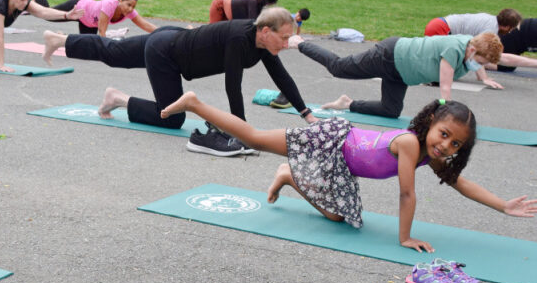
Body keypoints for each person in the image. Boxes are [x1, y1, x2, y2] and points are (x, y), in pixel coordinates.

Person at [161, 92, 536, 259]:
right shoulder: (409, 144)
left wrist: (504, 206)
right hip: (332, 141)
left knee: (341, 217)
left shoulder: (429, 153)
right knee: (256, 138)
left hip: (343, 163)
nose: (447, 148)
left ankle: (290, 176)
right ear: (430, 123)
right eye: (444, 136)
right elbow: (407, 195)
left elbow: (460, 183)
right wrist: (404, 238)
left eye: (456, 145)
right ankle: (196, 104)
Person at [41, 7, 318, 156]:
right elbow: (233, 85)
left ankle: (63, 41)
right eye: (283, 38)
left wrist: (307, 116)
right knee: (172, 118)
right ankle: (115, 96)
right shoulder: (239, 38)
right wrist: (242, 132)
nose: (286, 44)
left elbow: (282, 76)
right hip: (167, 53)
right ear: (266, 31)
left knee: (116, 54)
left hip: (170, 40)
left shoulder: (262, 43)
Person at [292, 32, 504, 117]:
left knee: (391, 110)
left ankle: (347, 103)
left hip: (400, 73)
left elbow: (507, 59)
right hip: (389, 56)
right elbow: (445, 91)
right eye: (481, 62)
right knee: (338, 68)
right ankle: (301, 43)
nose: (479, 67)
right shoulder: (453, 49)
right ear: (474, 51)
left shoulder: (472, 47)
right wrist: (449, 118)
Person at [50, 0, 157, 36]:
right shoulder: (109, 6)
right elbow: (102, 32)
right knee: (47, 14)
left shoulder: (129, 12)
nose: (130, 9)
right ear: (120, 0)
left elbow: (146, 25)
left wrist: (166, 33)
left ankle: (61, 36)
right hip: (78, 6)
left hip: (88, 23)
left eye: (133, 6)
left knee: (85, 48)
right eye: (128, 5)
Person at [423, 8, 521, 37]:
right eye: (511, 28)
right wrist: (484, 77)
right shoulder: (491, 30)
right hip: (441, 28)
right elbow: (476, 53)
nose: (510, 31)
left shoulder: (489, 18)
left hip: (438, 22)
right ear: (506, 26)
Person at [208, 0, 278, 23]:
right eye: (271, 4)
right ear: (267, 2)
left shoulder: (258, 4)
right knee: (212, 31)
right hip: (219, 5)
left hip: (230, 7)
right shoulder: (253, 2)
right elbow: (252, 22)